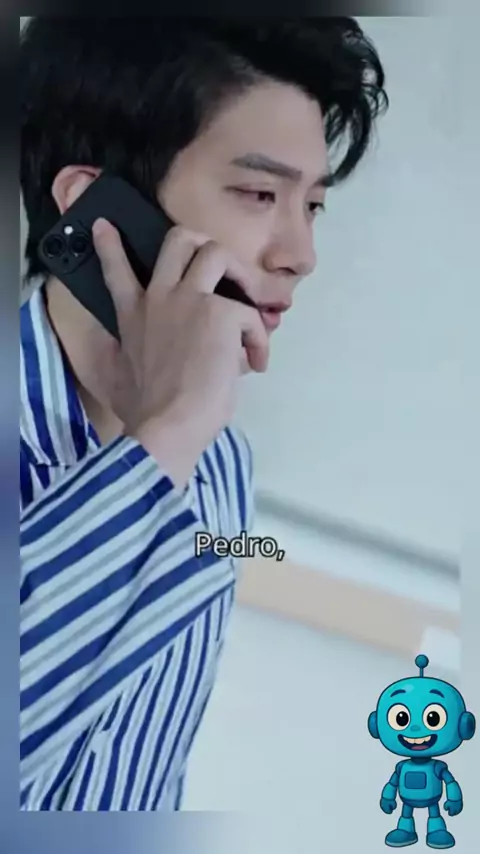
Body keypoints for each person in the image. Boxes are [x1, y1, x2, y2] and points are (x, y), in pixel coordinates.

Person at [20, 17, 387, 810]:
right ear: (96, 210)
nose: (301, 255)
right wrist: (169, 434)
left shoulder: (223, 465)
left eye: (312, 206)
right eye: (259, 195)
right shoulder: (193, 433)